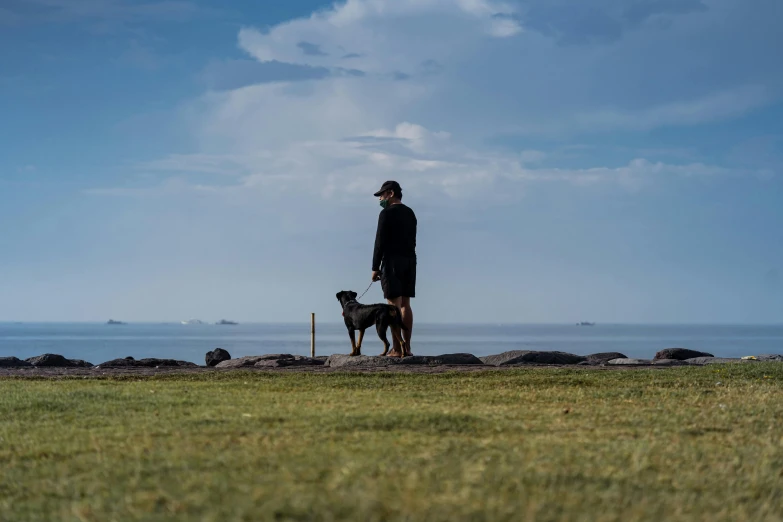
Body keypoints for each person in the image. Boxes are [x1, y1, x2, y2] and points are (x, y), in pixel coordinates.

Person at [371, 180, 416, 357]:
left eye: (381, 195)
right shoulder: (410, 213)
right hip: (410, 260)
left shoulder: (386, 213)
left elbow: (379, 241)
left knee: (393, 305)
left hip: (391, 261)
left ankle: (397, 349)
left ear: (390, 193)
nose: (380, 198)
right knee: (406, 304)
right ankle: (407, 348)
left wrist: (375, 267)